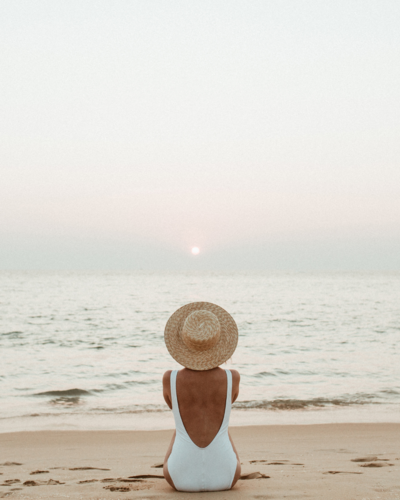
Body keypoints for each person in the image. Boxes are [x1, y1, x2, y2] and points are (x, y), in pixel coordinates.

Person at [162, 301, 241, 492]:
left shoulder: (170, 378)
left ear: (183, 342)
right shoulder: (232, 378)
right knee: (222, 425)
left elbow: (176, 410)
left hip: (179, 477)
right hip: (226, 475)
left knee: (179, 427)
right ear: (219, 342)